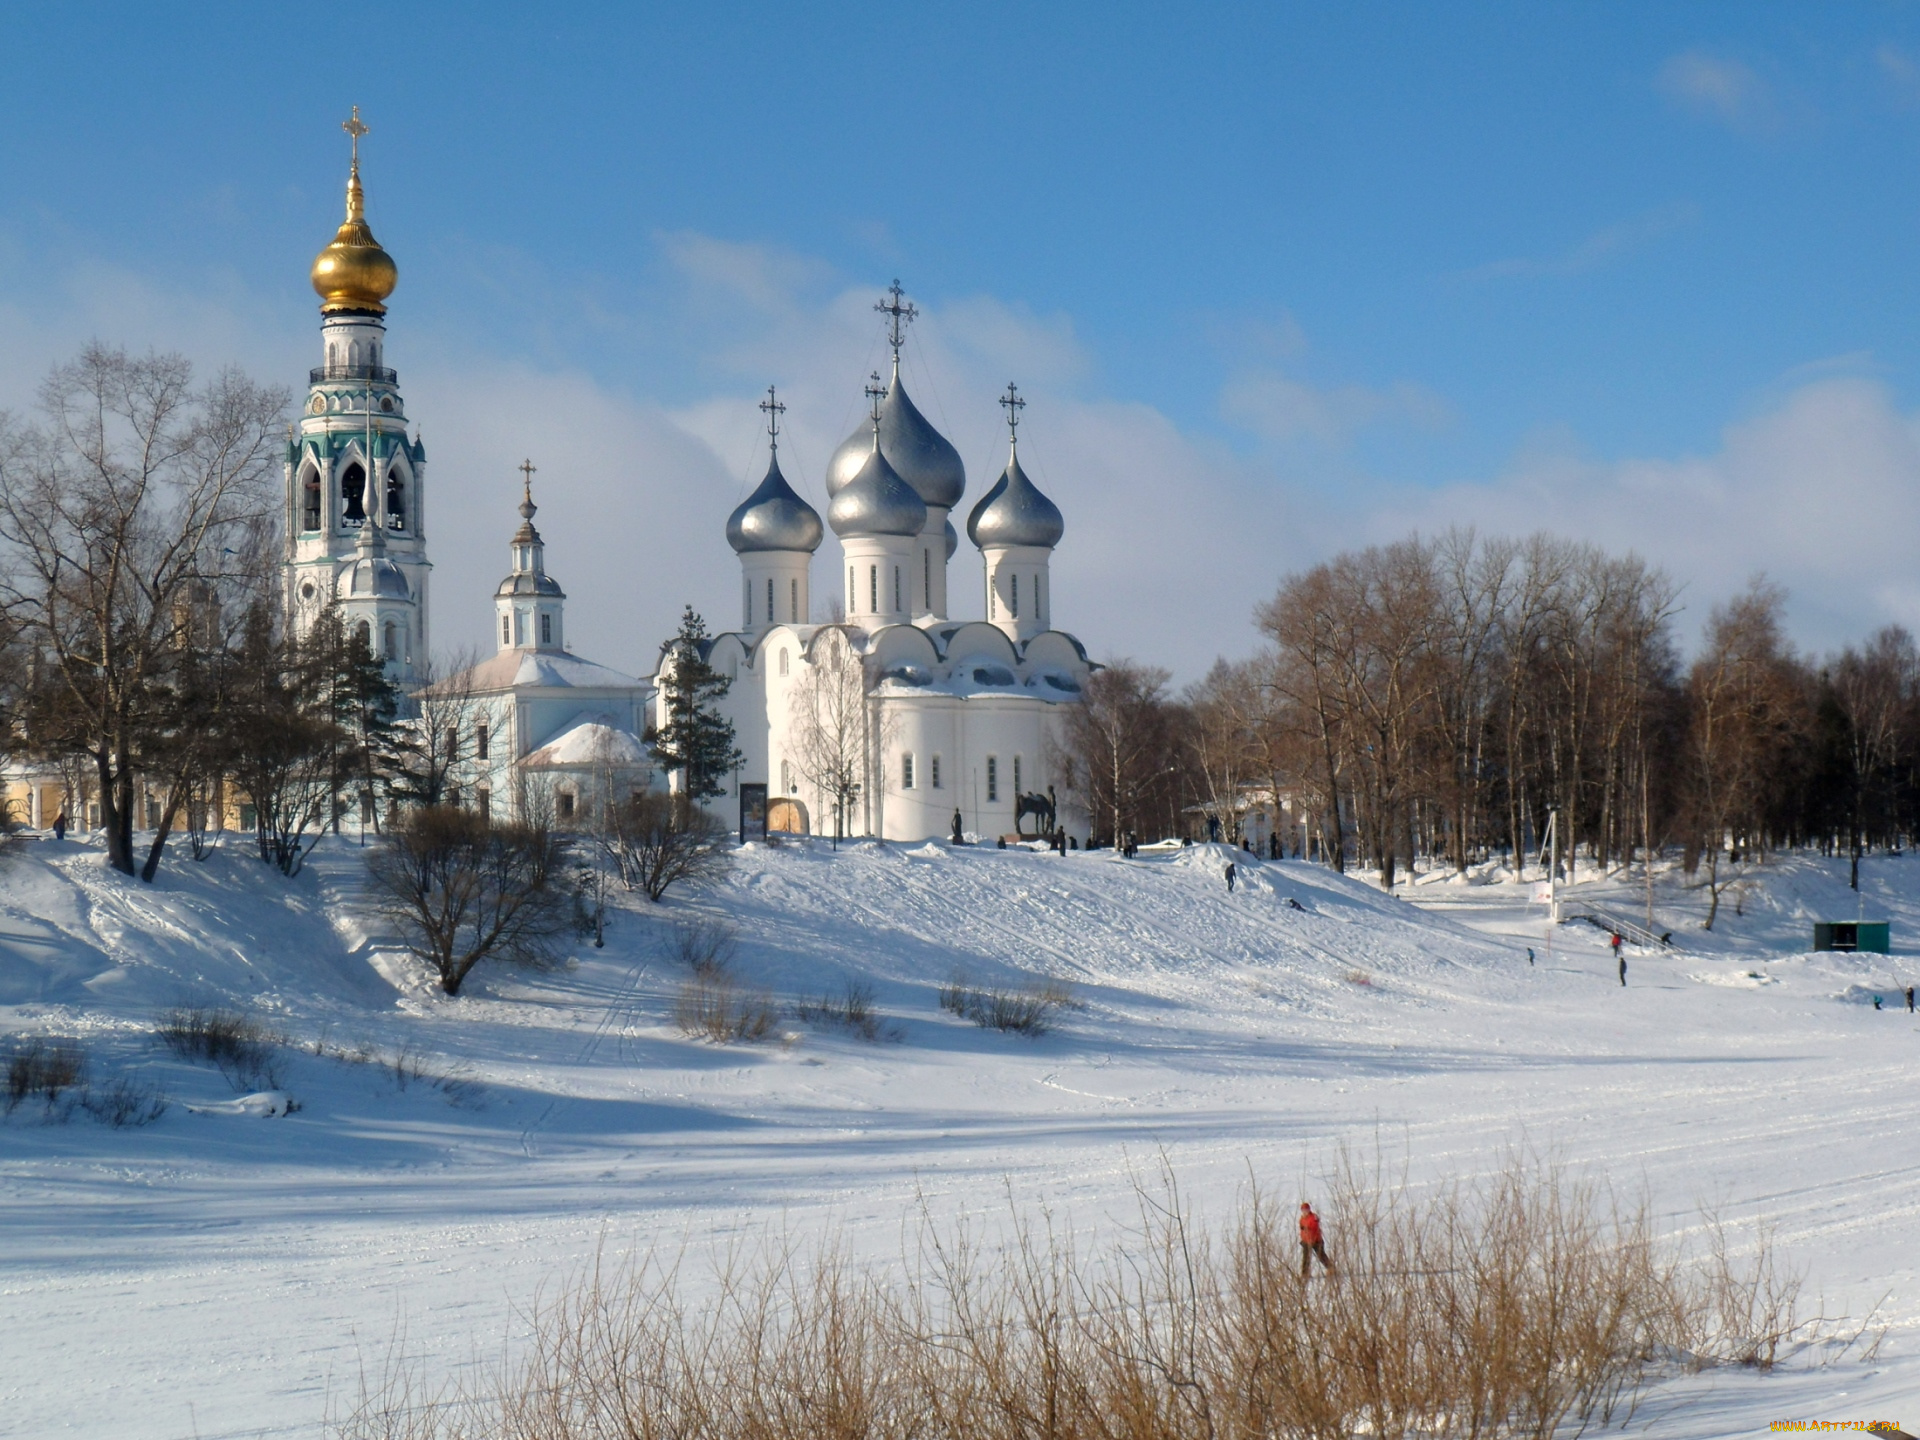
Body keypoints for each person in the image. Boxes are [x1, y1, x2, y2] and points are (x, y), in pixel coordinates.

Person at [1299, 1202, 1334, 1279]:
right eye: (1303, 1210)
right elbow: (1302, 1230)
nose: (1305, 1212)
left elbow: (1314, 1226)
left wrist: (1307, 1228)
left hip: (1316, 1241)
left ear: (1309, 1210)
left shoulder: (1313, 1217)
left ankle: (1331, 1268)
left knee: (1321, 1255)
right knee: (1306, 1257)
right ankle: (1305, 1273)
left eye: (1306, 1210)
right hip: (1306, 1241)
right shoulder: (1302, 1219)